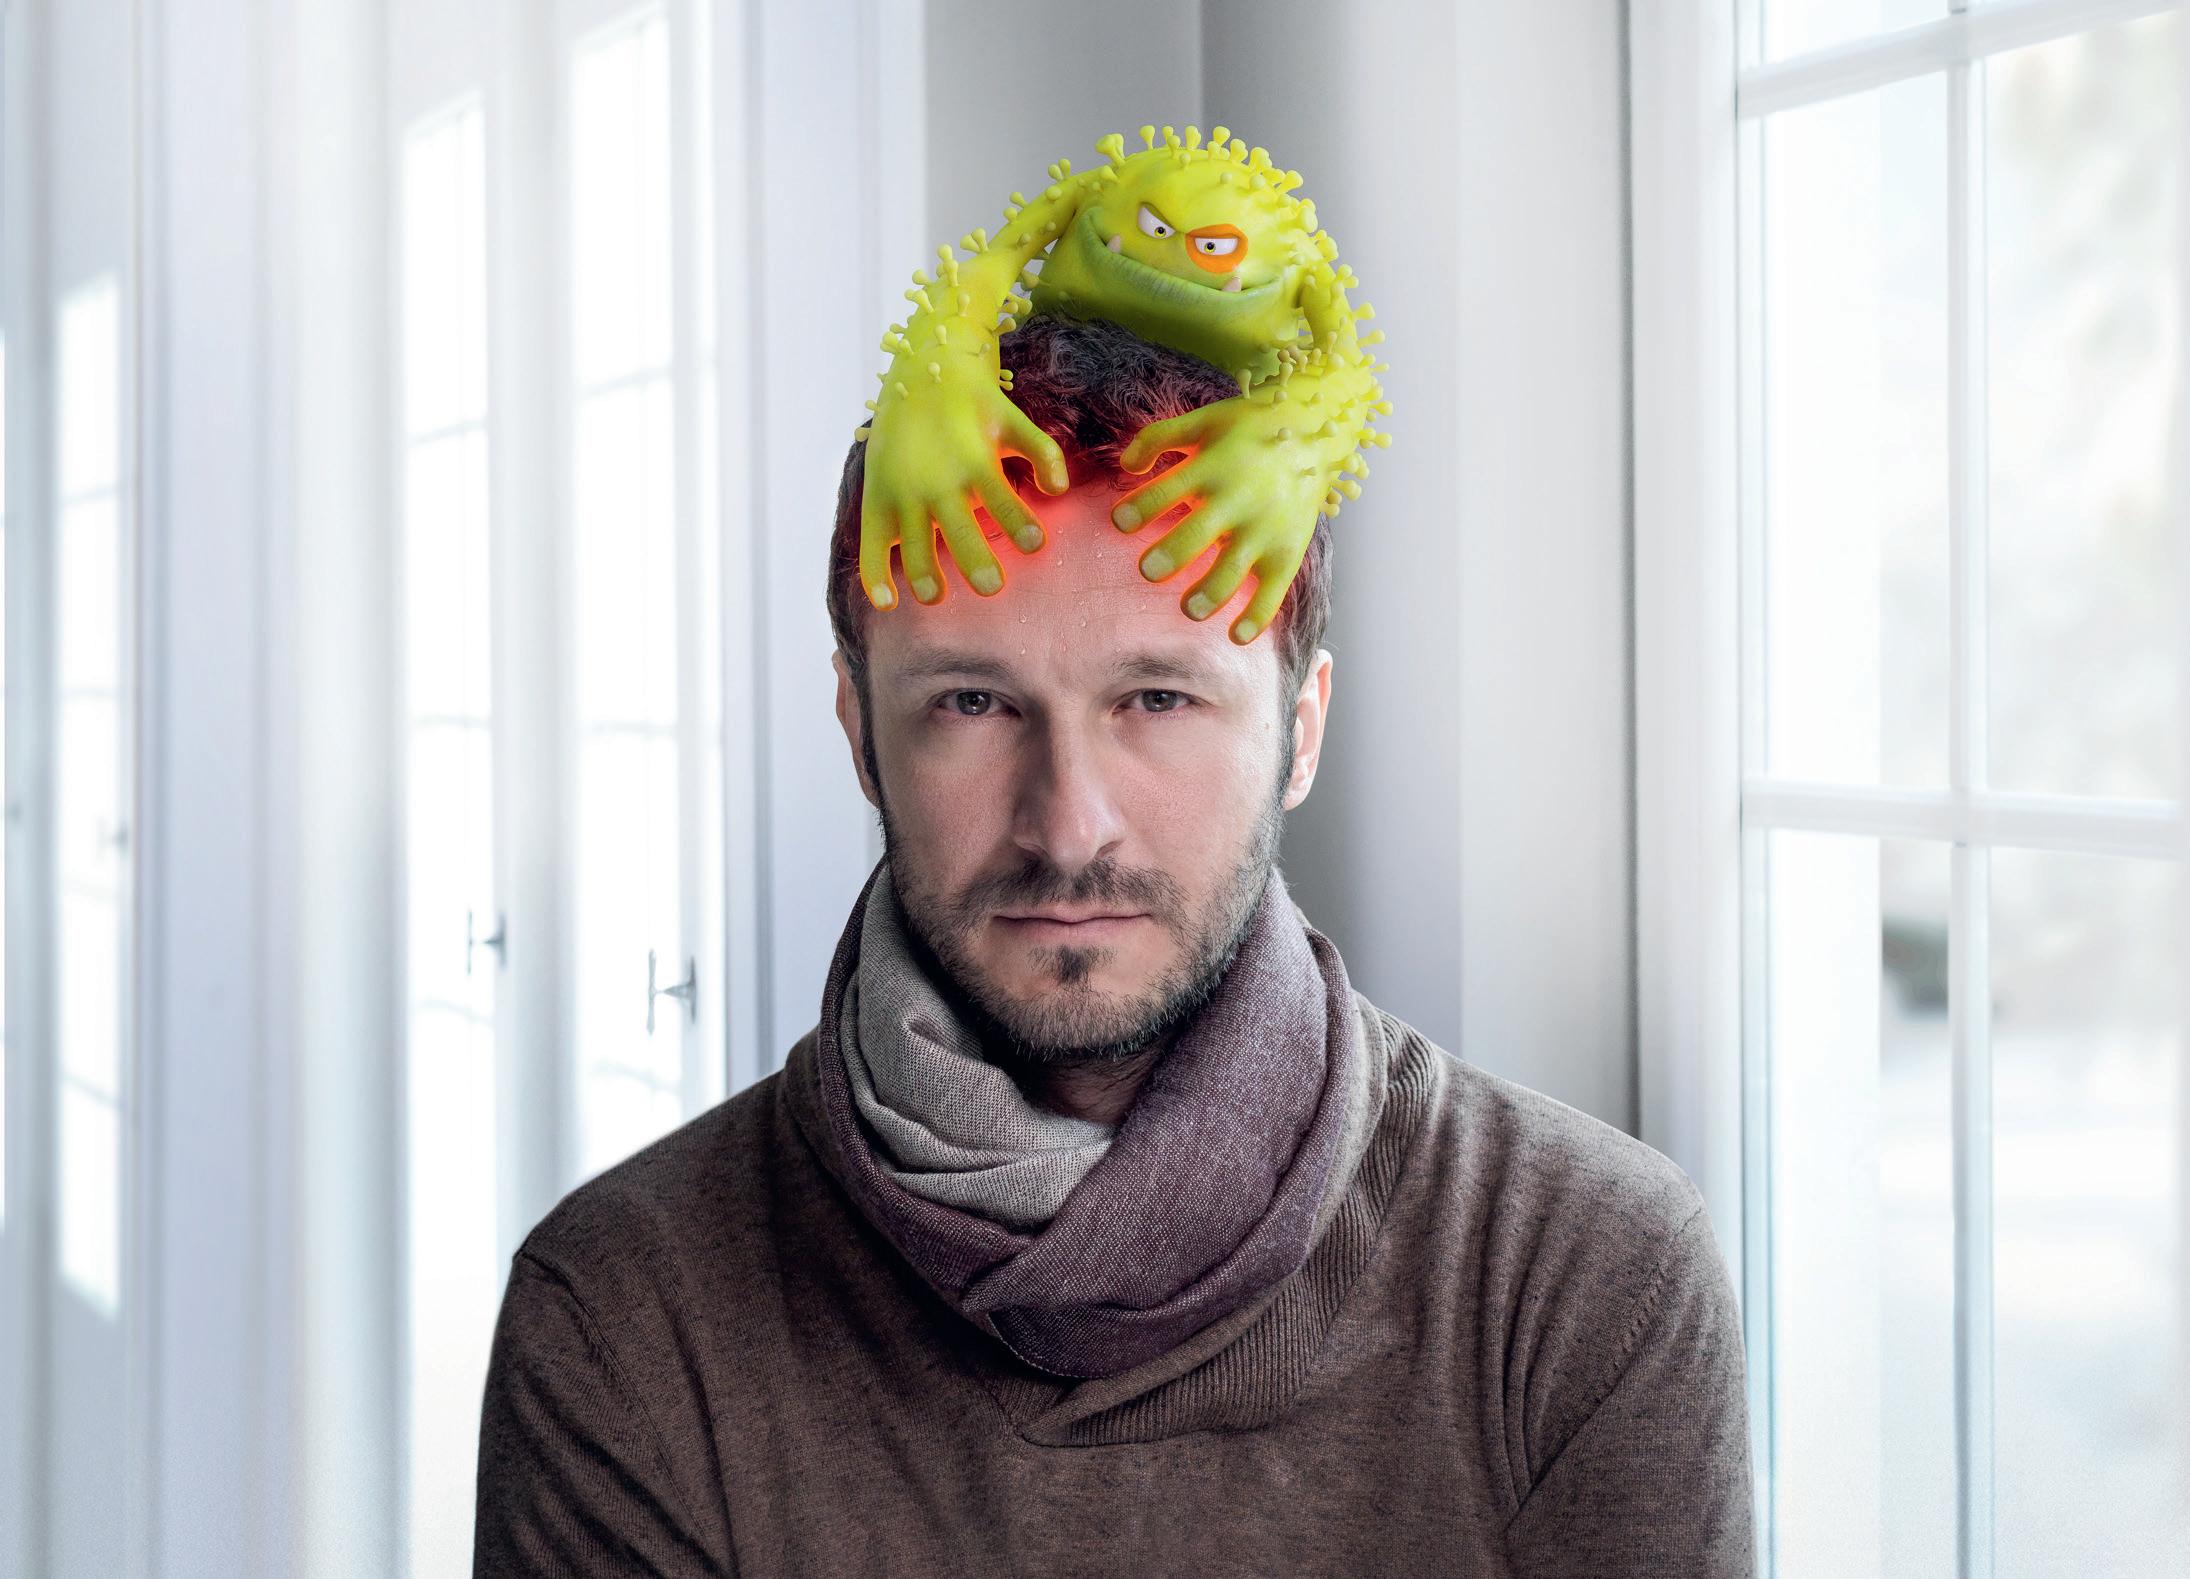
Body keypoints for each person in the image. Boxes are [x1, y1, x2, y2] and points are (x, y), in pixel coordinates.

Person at [472, 314, 1756, 1577]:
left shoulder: (1584, 1278)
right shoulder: (625, 1317)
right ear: (861, 729)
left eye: (1158, 697)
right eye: (973, 701)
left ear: (1300, 729)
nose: (1069, 823)